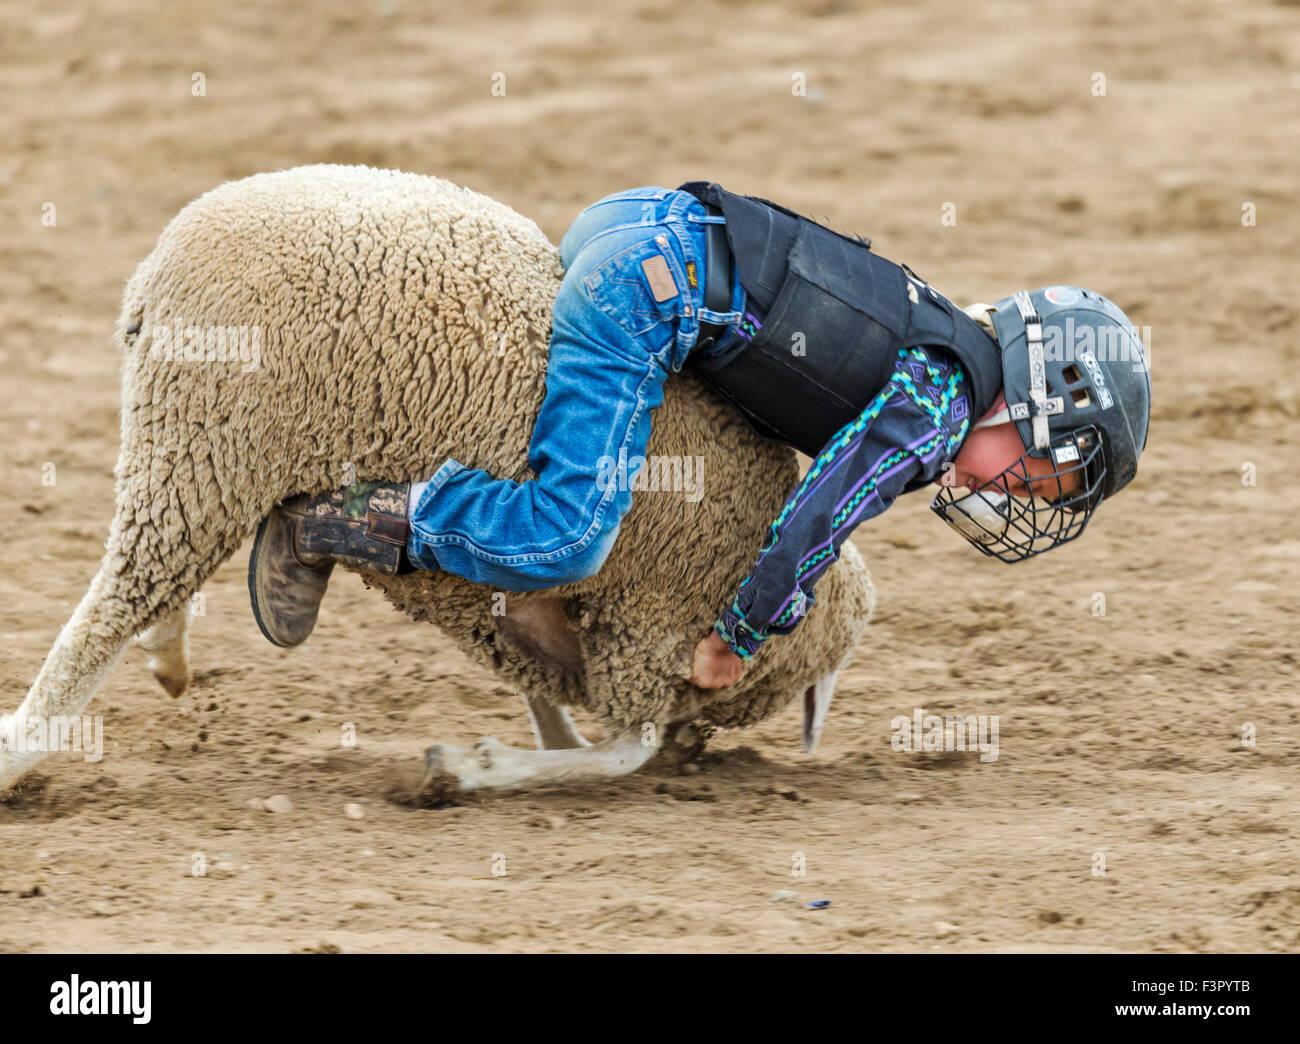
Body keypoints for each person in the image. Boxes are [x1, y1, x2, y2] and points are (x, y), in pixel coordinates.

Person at [247, 182, 1151, 690]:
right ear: (1027, 405)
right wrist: (741, 636)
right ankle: (330, 521)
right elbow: (820, 512)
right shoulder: (939, 404)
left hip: (638, 219)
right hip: (646, 291)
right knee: (570, 529)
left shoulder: (938, 336)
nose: (1010, 495)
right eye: (1032, 478)